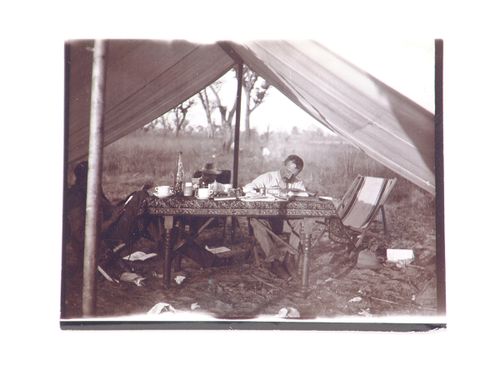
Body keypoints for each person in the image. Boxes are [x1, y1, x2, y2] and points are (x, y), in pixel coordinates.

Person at [65, 161, 161, 279]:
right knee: (141, 198)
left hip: (112, 226)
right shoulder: (76, 197)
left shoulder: (91, 189)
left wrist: (120, 207)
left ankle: (166, 240)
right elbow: (82, 234)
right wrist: (111, 220)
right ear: (83, 177)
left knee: (141, 199)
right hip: (107, 234)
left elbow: (107, 209)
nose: (98, 179)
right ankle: (166, 241)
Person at [242, 154, 306, 279]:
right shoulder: (268, 177)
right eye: (288, 171)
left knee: (301, 221)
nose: (289, 176)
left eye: (294, 174)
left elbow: (304, 196)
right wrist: (260, 193)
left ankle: (290, 256)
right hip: (265, 218)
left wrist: (292, 194)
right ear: (283, 165)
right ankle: (274, 261)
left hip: (284, 217)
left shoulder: (297, 182)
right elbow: (248, 188)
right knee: (256, 222)